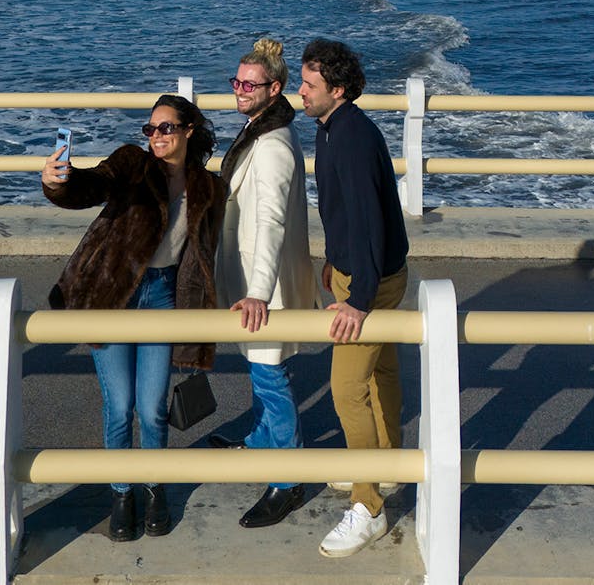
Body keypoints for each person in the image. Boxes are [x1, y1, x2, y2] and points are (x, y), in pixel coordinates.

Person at [41, 94, 227, 543]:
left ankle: (153, 486)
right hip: (112, 296)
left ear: (188, 131)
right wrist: (57, 182)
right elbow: (90, 185)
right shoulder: (131, 165)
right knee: (120, 406)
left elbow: (207, 254)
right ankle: (122, 494)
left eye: (166, 128)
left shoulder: (207, 187)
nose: (156, 136)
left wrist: (213, 309)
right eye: (150, 129)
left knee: (152, 409)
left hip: (163, 296)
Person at [297, 38, 411, 558]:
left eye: (309, 85)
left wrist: (358, 298)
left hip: (371, 283)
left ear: (337, 90)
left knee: (346, 388)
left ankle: (368, 507)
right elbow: (346, 216)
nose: (301, 92)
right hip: (358, 273)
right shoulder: (330, 127)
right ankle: (387, 466)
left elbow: (367, 220)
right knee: (381, 372)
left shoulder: (351, 138)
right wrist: (333, 259)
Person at [206, 38, 318, 529]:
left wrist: (257, 291)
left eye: (249, 85)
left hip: (263, 283)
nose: (239, 91)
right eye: (236, 82)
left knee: (271, 378)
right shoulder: (261, 128)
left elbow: (271, 219)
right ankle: (258, 440)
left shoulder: (272, 144)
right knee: (261, 369)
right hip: (254, 277)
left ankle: (287, 478)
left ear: (275, 88)